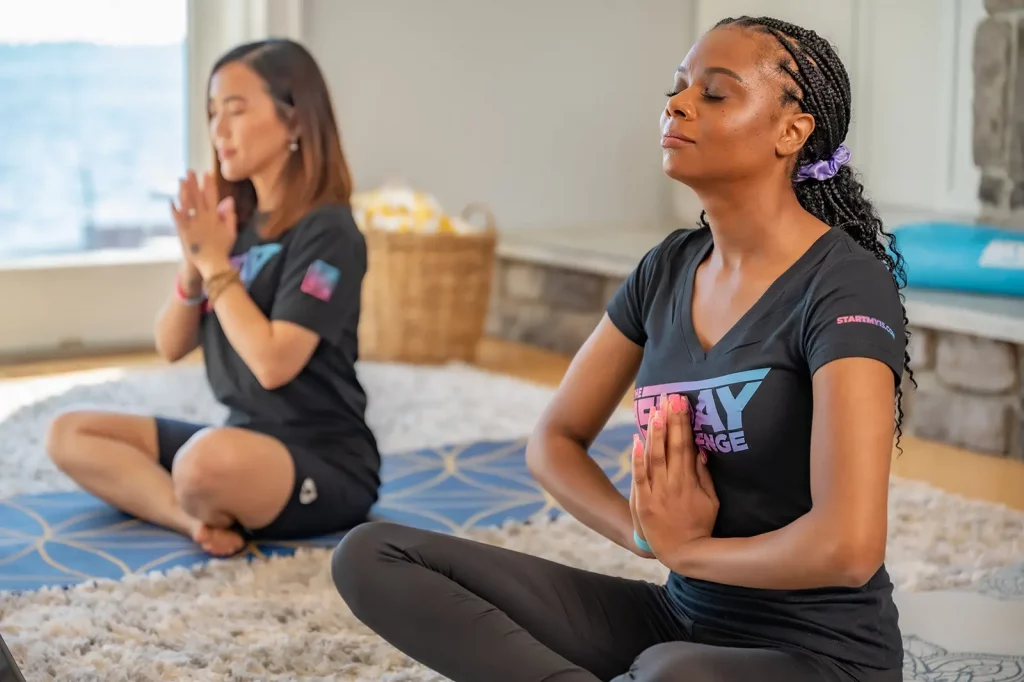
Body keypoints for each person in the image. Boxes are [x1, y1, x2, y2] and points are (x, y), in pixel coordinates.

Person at [331, 15, 911, 682]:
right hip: (682, 617)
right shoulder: (667, 268)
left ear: (791, 130)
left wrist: (688, 551)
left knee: (669, 673)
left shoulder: (842, 283)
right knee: (373, 555)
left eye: (714, 94)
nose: (677, 105)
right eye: (677, 88)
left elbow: (848, 546)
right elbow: (554, 441)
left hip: (820, 654)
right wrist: (643, 536)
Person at [47, 39, 380, 558]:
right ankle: (192, 520)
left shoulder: (329, 232)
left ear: (295, 122)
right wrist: (194, 262)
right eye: (211, 113)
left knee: (203, 464)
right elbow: (170, 344)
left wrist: (214, 264)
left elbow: (273, 363)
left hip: (324, 459)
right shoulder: (237, 226)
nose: (218, 129)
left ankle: (200, 495)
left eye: (236, 110)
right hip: (241, 439)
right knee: (70, 433)